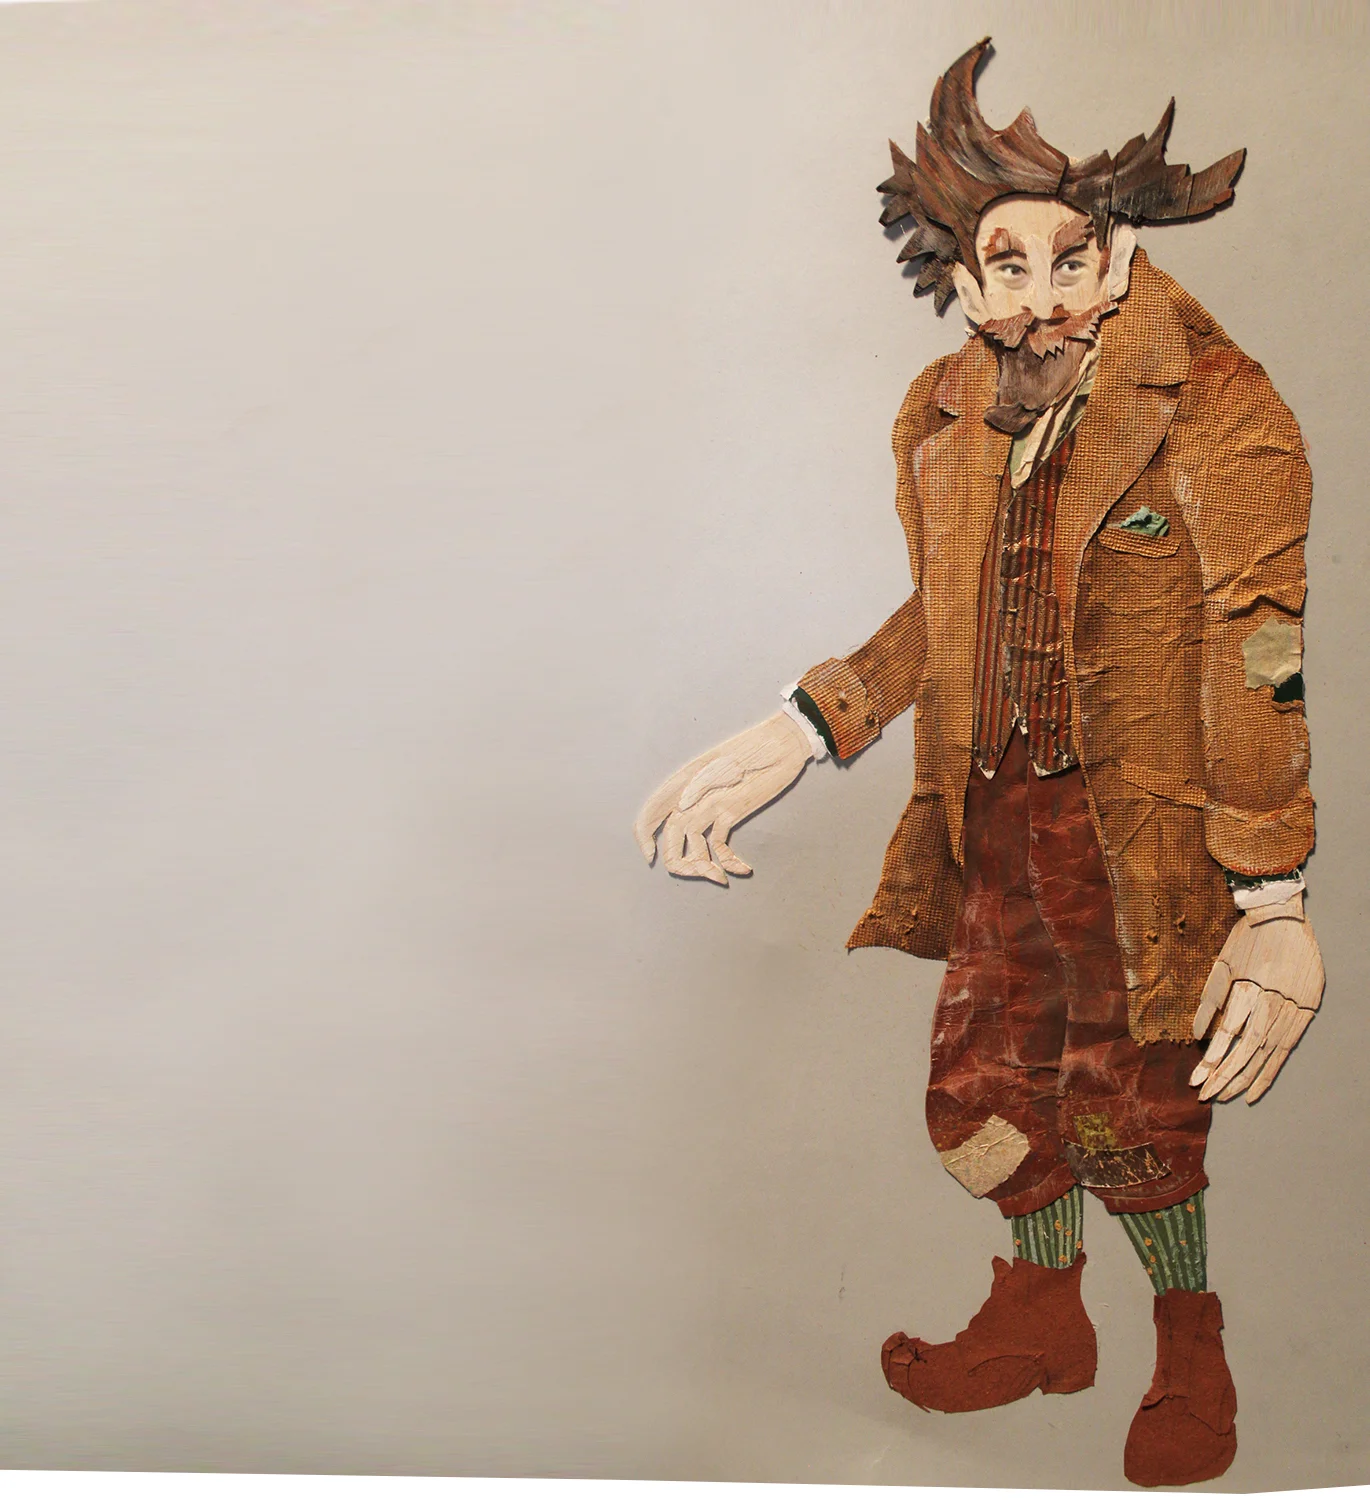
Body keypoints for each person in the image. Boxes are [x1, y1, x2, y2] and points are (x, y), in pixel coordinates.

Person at [634, 39, 1323, 1489]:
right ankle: (1039, 1319)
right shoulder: (942, 415)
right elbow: (938, 616)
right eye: (1006, 267)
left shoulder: (1219, 404)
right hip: (992, 818)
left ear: (1117, 258)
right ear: (961, 278)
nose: (1041, 297)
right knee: (986, 1086)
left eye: (1072, 261)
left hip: (1140, 832)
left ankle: (1188, 1350)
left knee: (1133, 1100)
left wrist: (1273, 900)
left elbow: (1257, 641)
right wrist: (799, 728)